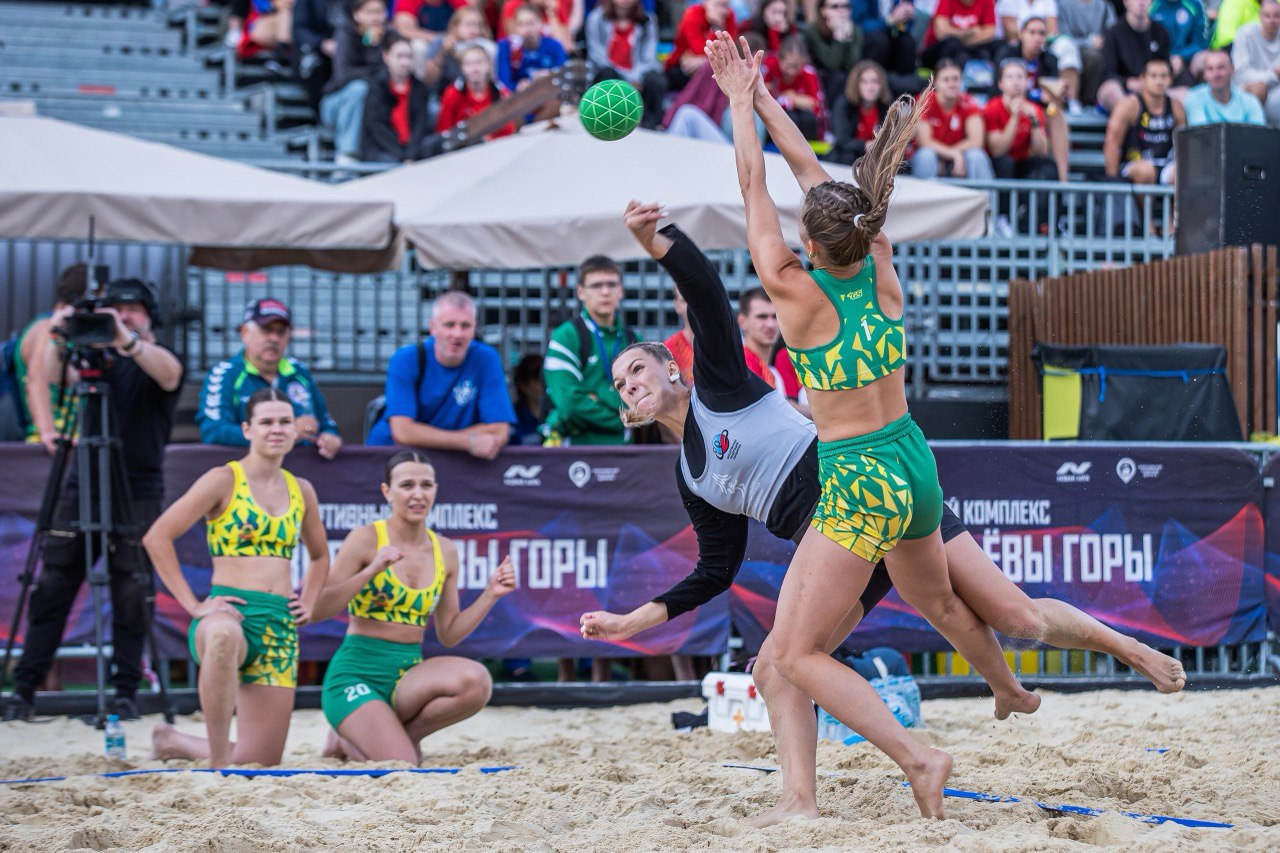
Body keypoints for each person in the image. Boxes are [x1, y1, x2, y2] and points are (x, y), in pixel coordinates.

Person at [581, 201, 1187, 825]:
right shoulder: (690, 476)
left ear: (672, 368)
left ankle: (1125, 650)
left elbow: (706, 292)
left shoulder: (720, 385)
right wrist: (631, 622)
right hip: (840, 538)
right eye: (619, 383)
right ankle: (806, 798)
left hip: (863, 491)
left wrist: (658, 239)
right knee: (779, 667)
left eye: (637, 369)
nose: (629, 384)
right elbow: (716, 569)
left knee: (1014, 615)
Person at [707, 32, 1043, 819]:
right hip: (911, 458)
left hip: (858, 475)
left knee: (794, 653)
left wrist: (739, 104)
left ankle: (919, 756)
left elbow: (756, 182)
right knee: (929, 607)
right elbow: (816, 184)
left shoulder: (794, 293)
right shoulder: (879, 259)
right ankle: (1001, 690)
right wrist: (760, 99)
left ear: (810, 242)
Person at [0, 280, 184, 724]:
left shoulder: (151, 357)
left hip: (137, 488)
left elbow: (170, 374)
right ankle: (23, 690)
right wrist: (58, 333)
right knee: (53, 585)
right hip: (83, 483)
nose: (122, 316)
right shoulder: (95, 361)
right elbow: (51, 375)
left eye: (132, 309)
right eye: (114, 309)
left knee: (131, 590)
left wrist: (126, 339)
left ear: (149, 317)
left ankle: (125, 692)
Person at [146, 389, 328, 767]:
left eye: (285, 422)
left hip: (278, 623)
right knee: (223, 637)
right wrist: (193, 605)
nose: (276, 429)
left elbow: (320, 555)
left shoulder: (302, 489)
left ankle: (171, 740)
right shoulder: (223, 479)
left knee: (260, 761)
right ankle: (217, 764)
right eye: (266, 422)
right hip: (230, 612)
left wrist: (309, 600)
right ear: (247, 429)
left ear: (295, 429)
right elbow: (157, 537)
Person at [313, 450, 514, 762]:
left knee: (477, 682)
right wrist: (371, 570)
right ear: (387, 492)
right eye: (407, 485)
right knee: (403, 764)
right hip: (356, 674)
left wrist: (490, 594)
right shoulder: (365, 538)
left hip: (407, 674)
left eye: (426, 485)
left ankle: (393, 736)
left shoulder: (445, 550)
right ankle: (357, 732)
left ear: (435, 490)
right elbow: (318, 609)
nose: (418, 494)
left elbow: (449, 634)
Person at [366, 291, 516, 458]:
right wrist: (469, 441)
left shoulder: (486, 358)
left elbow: (499, 430)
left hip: (457, 460)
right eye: (449, 325)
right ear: (433, 327)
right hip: (396, 458)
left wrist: (428, 436)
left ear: (474, 328)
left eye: (465, 326)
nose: (457, 334)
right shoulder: (405, 359)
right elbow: (403, 432)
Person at [198, 298, 342, 459]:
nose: (274, 338)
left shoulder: (300, 372)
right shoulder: (225, 373)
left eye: (281, 332)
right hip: (245, 469)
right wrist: (288, 433)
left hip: (301, 469)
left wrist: (329, 437)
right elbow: (213, 431)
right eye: (266, 330)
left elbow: (325, 424)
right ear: (245, 333)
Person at [542, 256, 639, 446]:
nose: (605, 292)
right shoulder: (566, 335)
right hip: (573, 452)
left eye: (611, 284)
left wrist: (597, 396)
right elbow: (569, 406)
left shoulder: (633, 339)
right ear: (581, 292)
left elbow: (645, 402)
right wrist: (622, 416)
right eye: (596, 285)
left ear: (620, 290)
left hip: (623, 451)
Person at [12, 264, 86, 454]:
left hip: (71, 440)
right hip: (49, 445)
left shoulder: (73, 332)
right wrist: (47, 432)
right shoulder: (48, 328)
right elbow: (37, 378)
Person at [996, 16, 1072, 180]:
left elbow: (1052, 96)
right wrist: (1035, 95)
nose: (1037, 38)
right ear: (1021, 34)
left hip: (1038, 109)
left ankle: (1062, 178)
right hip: (1006, 106)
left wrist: (1058, 94)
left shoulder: (1050, 59)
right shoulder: (1006, 54)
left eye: (1041, 33)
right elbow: (996, 89)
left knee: (1055, 113)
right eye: (1032, 32)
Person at [320, 0, 390, 165]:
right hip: (336, 103)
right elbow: (343, 75)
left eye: (379, 12)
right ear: (357, 15)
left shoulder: (389, 36)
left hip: (374, 102)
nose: (375, 17)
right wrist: (372, 46)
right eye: (370, 12)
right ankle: (347, 154)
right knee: (359, 88)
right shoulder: (345, 34)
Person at [585, 0, 668, 129]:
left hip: (638, 75)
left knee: (656, 80)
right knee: (607, 75)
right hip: (611, 72)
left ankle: (650, 126)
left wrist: (635, 76)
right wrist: (627, 78)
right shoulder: (596, 18)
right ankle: (609, 123)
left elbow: (649, 57)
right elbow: (597, 56)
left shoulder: (648, 20)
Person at [1104, 57, 1185, 184]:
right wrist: (1112, 182)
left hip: (1166, 165)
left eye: (1163, 76)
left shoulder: (1176, 106)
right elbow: (1112, 142)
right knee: (1145, 171)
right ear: (1142, 79)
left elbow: (1184, 145)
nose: (1159, 81)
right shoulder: (1129, 105)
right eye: (1153, 76)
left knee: (1183, 173)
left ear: (1170, 79)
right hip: (1133, 165)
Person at [911, 59, 996, 178]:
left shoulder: (968, 101)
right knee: (926, 155)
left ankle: (985, 191)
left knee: (977, 155)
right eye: (946, 79)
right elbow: (924, 141)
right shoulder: (924, 100)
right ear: (936, 82)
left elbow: (977, 140)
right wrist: (952, 154)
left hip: (958, 158)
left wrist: (954, 154)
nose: (951, 84)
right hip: (930, 157)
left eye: (956, 79)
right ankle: (924, 191)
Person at [359, 34, 435, 162]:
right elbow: (378, 128)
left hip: (412, 148)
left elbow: (420, 125)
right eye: (399, 56)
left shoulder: (419, 88)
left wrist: (410, 155)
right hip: (383, 148)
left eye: (409, 57)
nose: (405, 62)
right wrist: (402, 157)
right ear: (386, 57)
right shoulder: (376, 87)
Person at [983, 59, 1058, 181]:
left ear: (1027, 82)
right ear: (1000, 84)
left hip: (1022, 161)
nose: (1015, 82)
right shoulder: (991, 108)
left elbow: (1041, 152)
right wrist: (1014, 117)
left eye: (1020, 77)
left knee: (1048, 166)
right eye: (1010, 77)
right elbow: (997, 151)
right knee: (1005, 162)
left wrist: (1034, 122)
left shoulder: (1035, 110)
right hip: (997, 162)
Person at [1097, 0, 1172, 111]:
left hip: (1154, 87)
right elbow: (1106, 72)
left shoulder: (1161, 33)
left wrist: (1150, 82)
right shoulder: (1113, 33)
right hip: (1124, 89)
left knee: (1183, 94)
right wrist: (1127, 82)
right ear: (1125, 2)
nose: (1141, 2)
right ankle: (1132, 117)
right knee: (1109, 89)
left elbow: (1166, 69)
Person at [435, 44, 517, 138]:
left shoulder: (501, 92)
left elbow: (509, 131)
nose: (474, 69)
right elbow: (444, 133)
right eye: (468, 64)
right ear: (462, 68)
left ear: (488, 65)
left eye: (479, 63)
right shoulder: (452, 94)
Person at [419, 6, 497, 97]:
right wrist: (442, 53)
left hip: (474, 94)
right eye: (469, 24)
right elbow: (428, 80)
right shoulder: (441, 42)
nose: (474, 30)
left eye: (478, 25)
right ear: (455, 27)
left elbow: (493, 80)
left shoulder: (486, 47)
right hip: (442, 93)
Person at [762, 35, 828, 140]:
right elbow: (763, 100)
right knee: (789, 117)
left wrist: (788, 98)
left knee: (808, 118)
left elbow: (816, 106)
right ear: (780, 59)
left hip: (803, 120)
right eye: (788, 65)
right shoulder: (769, 66)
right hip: (775, 119)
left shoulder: (809, 72)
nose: (791, 72)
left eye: (796, 66)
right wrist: (792, 100)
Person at [802, 0, 865, 108]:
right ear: (823, 10)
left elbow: (852, 65)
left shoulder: (855, 30)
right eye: (835, 6)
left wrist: (848, 37)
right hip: (821, 78)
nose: (841, 10)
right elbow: (831, 64)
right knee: (837, 77)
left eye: (846, 6)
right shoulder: (813, 31)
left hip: (846, 77)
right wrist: (838, 37)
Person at [665, 0, 738, 92]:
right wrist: (715, 27)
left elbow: (730, 48)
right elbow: (699, 49)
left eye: (726, 5)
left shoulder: (729, 15)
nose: (723, 10)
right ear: (707, 2)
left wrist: (704, 60)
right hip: (680, 66)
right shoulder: (693, 14)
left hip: (704, 64)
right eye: (718, 5)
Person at [831, 59, 892, 164]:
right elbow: (843, 140)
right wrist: (866, 145)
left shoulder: (887, 107)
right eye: (864, 82)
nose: (870, 87)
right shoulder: (844, 105)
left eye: (875, 82)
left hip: (876, 159)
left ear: (881, 85)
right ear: (856, 84)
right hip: (847, 158)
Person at [495, 4, 568, 91]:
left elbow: (564, 76)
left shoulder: (555, 46)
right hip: (521, 96)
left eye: (530, 23)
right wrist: (518, 86)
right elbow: (503, 84)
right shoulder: (506, 47)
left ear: (540, 23)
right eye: (520, 24)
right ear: (515, 27)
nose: (527, 30)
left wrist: (548, 76)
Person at [1184, 49, 1267, 123]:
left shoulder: (1251, 101)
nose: (1215, 74)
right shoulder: (1194, 97)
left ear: (1232, 70)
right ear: (1204, 74)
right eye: (1210, 69)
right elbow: (1200, 132)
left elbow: (1259, 133)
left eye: (1221, 68)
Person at [1056, 0, 1115, 104]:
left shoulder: (1104, 6)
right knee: (1092, 57)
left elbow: (1113, 32)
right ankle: (1087, 102)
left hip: (1102, 47)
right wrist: (1089, 42)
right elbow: (1063, 38)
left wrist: (1104, 41)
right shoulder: (1064, 6)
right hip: (1074, 49)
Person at [1233, 0, 1280, 125]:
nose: (1272, 20)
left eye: (1277, 16)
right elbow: (1241, 74)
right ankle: (1253, 131)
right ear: (1260, 16)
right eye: (1267, 15)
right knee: (1259, 88)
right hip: (1246, 88)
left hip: (1276, 89)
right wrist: (1274, 74)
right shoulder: (1245, 34)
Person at [854, 0, 920, 89]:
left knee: (908, 42)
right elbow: (859, 25)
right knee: (879, 40)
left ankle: (907, 89)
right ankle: (871, 85)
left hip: (893, 38)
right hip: (870, 42)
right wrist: (888, 21)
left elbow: (907, 26)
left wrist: (906, 16)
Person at [921, 0, 1002, 69]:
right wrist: (968, 32)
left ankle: (998, 78)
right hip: (937, 51)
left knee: (1000, 45)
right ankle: (948, 77)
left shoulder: (986, 1)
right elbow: (941, 33)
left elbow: (990, 32)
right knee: (952, 43)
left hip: (971, 44)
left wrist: (960, 36)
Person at [1149, 0, 1210, 85]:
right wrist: (1166, 58)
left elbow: (1201, 42)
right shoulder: (1152, 5)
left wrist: (1181, 56)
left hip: (1187, 59)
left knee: (1204, 57)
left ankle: (1194, 88)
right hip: (1159, 58)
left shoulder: (1195, 4)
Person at [511, 354, 546, 444]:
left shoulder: (557, 414)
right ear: (523, 385)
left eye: (547, 378)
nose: (545, 384)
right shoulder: (512, 418)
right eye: (538, 379)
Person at [663, 286, 695, 384]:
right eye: (686, 300)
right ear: (676, 305)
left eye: (696, 299)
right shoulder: (669, 348)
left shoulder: (723, 345)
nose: (693, 306)